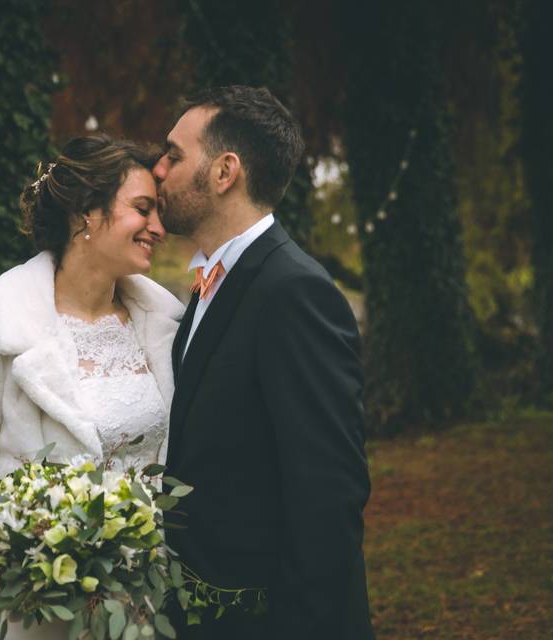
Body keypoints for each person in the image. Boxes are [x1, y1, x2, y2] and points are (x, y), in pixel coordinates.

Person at [0, 135, 184, 640]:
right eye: (143, 209)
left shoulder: (166, 327)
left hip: (149, 612)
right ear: (86, 213)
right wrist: (20, 571)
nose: (159, 228)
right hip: (43, 617)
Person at [153, 86, 375, 638]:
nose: (157, 169)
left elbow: (328, 491)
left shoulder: (293, 291)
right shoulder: (211, 284)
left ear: (225, 172)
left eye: (174, 155)